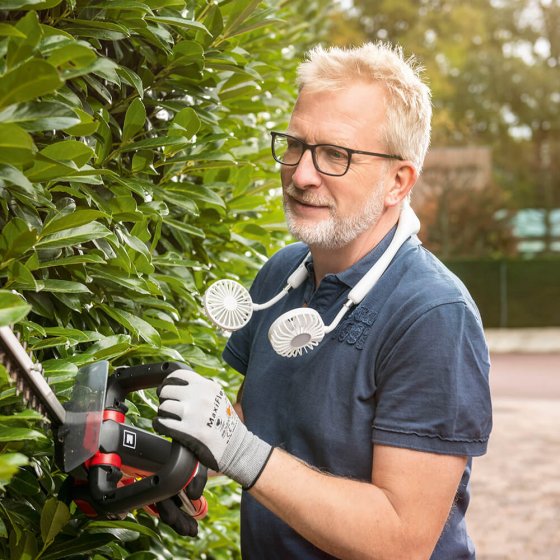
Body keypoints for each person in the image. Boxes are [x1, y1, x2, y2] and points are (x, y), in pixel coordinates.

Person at [154, 42, 492, 559]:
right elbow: (256, 422)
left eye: (336, 154)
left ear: (398, 181)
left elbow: (402, 541)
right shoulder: (282, 273)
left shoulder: (433, 316)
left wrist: (239, 450)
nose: (301, 174)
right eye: (295, 144)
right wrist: (181, 456)